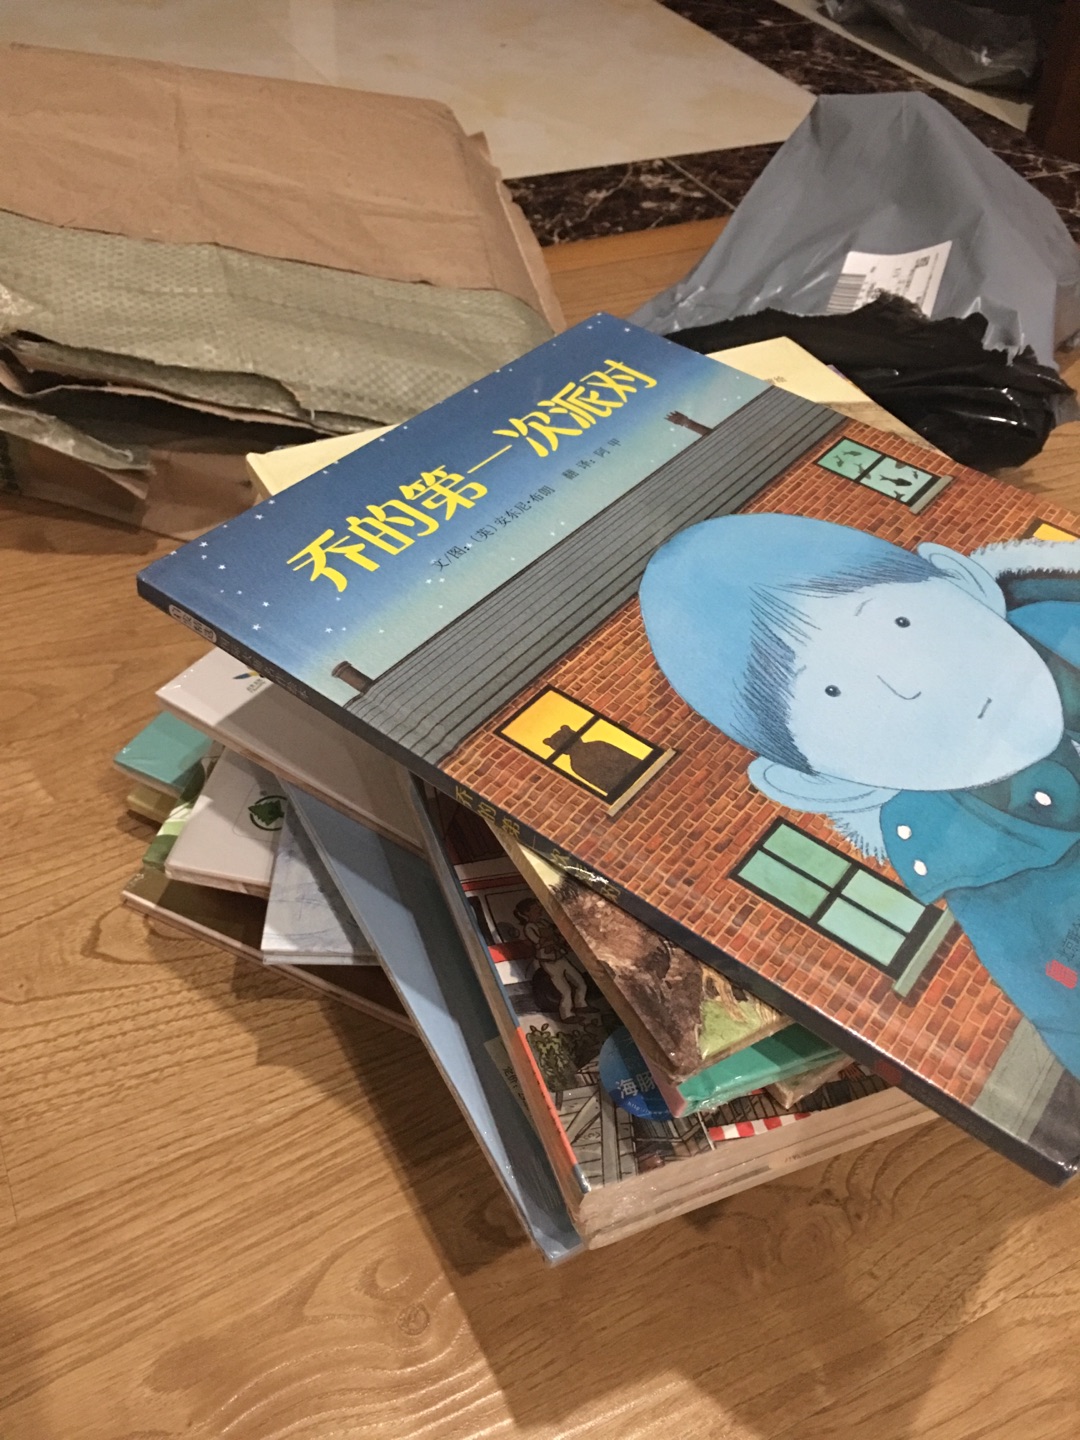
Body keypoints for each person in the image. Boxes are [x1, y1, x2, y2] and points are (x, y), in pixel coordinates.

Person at [639, 512, 1080, 1079]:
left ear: (963, 580)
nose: (909, 683)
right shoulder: (996, 887)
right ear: (819, 782)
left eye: (900, 622)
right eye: (833, 691)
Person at [513, 896, 589, 1021]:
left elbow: (555, 935)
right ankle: (567, 1015)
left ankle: (581, 1005)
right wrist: (553, 939)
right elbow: (538, 942)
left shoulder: (544, 922)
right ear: (526, 912)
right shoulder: (529, 927)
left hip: (560, 957)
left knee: (580, 982)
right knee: (565, 990)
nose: (540, 910)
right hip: (549, 962)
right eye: (536, 908)